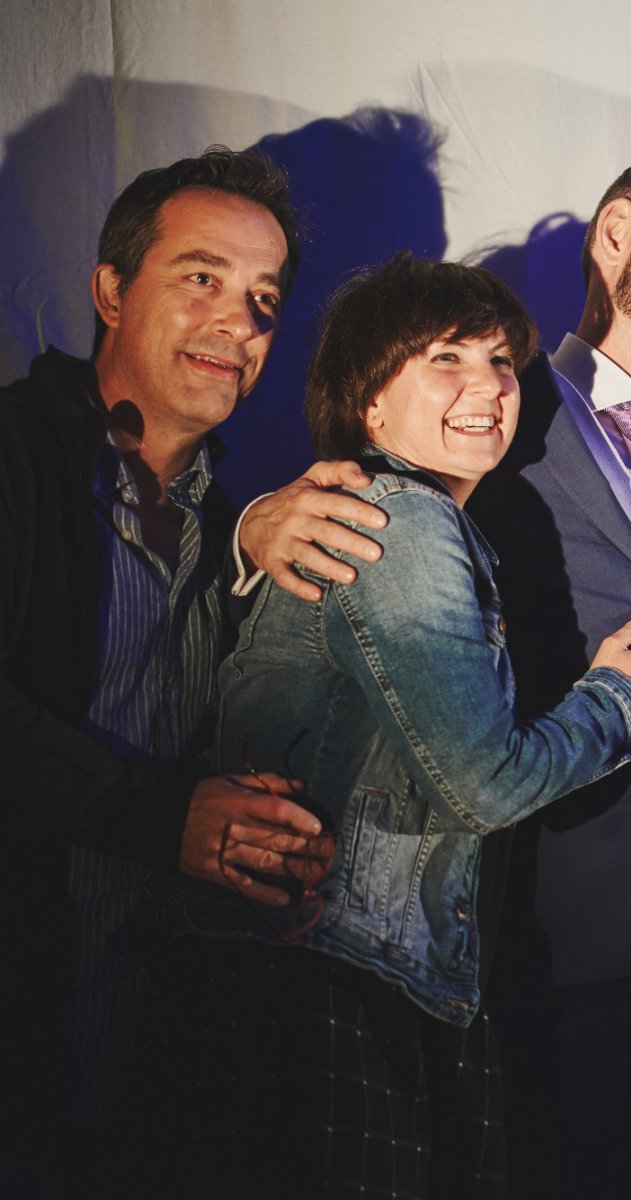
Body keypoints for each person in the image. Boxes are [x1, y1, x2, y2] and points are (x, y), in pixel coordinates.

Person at [236, 148, 631, 1197]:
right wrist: (257, 521)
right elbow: (348, 520)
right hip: (536, 953)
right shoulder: (490, 413)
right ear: (616, 236)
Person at [146, 251, 631, 1196]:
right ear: (369, 404)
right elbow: (481, 783)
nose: (487, 386)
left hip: (350, 975)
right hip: (326, 986)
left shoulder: (416, 523)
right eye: (445, 359)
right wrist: (625, 702)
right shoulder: (402, 520)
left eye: (500, 362)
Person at [0, 146, 339, 1196]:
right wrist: (166, 819)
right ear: (111, 291)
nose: (238, 323)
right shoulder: (13, 457)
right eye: (202, 277)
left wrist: (273, 841)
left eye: (264, 300)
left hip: (151, 1073)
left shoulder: (236, 526)